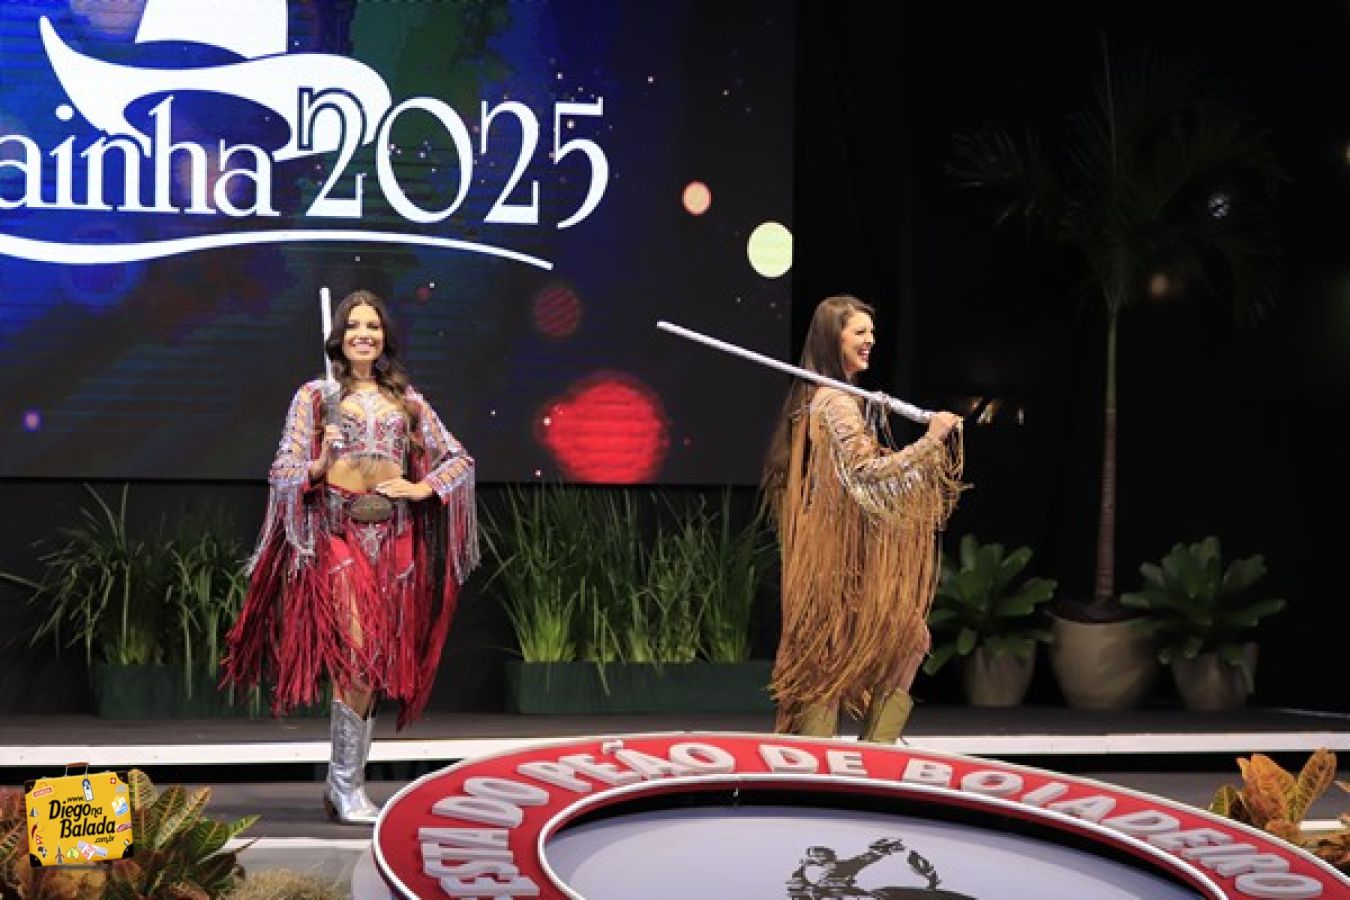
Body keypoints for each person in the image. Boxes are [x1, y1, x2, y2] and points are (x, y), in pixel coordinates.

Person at [222, 289, 479, 824]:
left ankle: (345, 786)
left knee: (374, 663)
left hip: (394, 539)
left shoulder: (407, 400)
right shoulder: (316, 396)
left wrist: (423, 487)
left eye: (374, 326)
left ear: (385, 337)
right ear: (338, 336)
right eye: (355, 325)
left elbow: (459, 459)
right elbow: (282, 469)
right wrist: (318, 462)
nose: (365, 334)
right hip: (336, 535)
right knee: (357, 656)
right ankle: (344, 787)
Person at [762, 294, 964, 743]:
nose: (870, 340)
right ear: (833, 339)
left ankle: (868, 754)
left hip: (850, 549)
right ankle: (837, 757)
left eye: (872, 332)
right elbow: (866, 472)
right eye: (859, 332)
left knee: (898, 642)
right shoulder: (835, 401)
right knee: (832, 655)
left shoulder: (836, 397)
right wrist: (931, 440)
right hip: (837, 555)